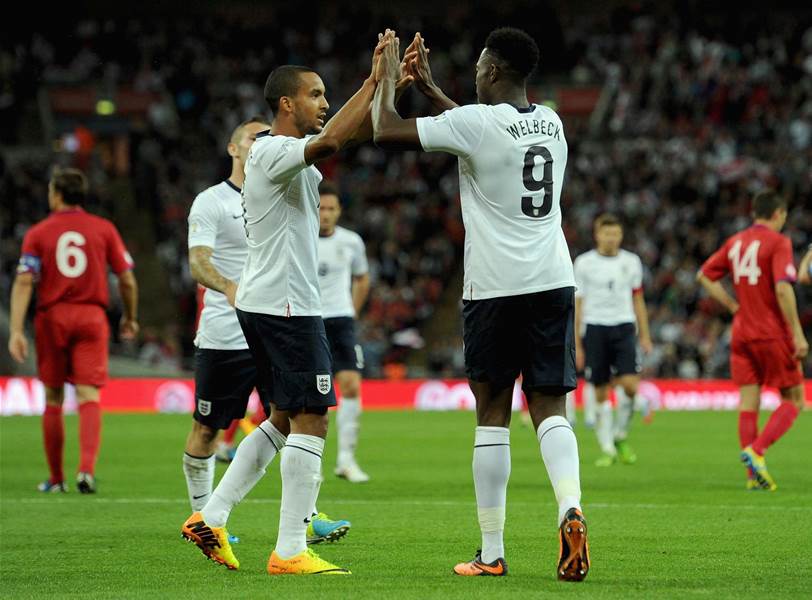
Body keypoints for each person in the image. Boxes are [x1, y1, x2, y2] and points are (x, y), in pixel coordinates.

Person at [182, 35, 414, 575]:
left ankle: (210, 516)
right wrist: (371, 81)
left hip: (274, 303)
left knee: (284, 418)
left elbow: (350, 133)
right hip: (286, 306)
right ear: (287, 104)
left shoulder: (291, 159)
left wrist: (383, 93)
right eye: (315, 94)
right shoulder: (270, 149)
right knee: (313, 418)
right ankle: (289, 549)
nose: (323, 103)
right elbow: (333, 140)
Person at [372, 28, 589, 581]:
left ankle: (492, 553)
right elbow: (481, 128)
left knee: (493, 413)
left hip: (494, 287)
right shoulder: (552, 123)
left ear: (492, 71)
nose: (474, 73)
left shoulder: (475, 123)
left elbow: (384, 128)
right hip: (552, 279)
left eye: (477, 66)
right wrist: (433, 90)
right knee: (550, 408)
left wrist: (386, 78)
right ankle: (570, 507)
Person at [181, 116, 349, 546]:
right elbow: (198, 261)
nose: (266, 142)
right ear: (234, 149)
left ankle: (295, 519)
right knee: (209, 428)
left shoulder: (283, 182)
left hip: (269, 316)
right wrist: (227, 286)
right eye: (254, 138)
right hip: (229, 327)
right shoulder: (211, 202)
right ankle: (204, 513)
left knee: (291, 416)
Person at [8, 167, 138, 494]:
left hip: (52, 317)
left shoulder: (38, 232)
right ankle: (86, 471)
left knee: (53, 397)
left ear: (56, 194)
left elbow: (25, 280)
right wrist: (130, 316)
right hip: (91, 316)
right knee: (88, 395)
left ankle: (56, 479)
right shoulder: (103, 229)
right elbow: (126, 278)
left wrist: (15, 330)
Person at [697, 190, 808, 491]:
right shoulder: (778, 242)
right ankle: (756, 452)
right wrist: (797, 332)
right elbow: (784, 289)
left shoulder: (735, 242)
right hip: (770, 332)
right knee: (795, 399)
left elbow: (704, 275)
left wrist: (733, 306)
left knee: (749, 401)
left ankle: (752, 478)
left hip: (741, 332)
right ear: (778, 214)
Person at [574, 214, 652, 467]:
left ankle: (620, 436)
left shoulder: (632, 262)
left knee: (630, 386)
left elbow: (638, 298)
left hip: (624, 326)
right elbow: (578, 303)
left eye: (615, 234)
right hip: (595, 328)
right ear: (597, 235)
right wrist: (576, 339)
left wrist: (646, 335)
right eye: (606, 233)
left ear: (620, 236)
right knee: (600, 390)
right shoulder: (584, 263)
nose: (611, 238)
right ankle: (607, 448)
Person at [317, 181, 371, 483]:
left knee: (350, 386)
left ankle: (346, 460)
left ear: (339, 212)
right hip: (309, 321)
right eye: (320, 208)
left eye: (331, 209)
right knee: (311, 396)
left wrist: (352, 310)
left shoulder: (352, 241)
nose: (325, 214)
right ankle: (309, 461)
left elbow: (362, 278)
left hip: (341, 321)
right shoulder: (299, 239)